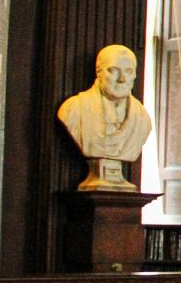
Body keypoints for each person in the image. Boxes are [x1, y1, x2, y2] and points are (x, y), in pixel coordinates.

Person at [57, 45, 153, 191]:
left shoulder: (142, 118)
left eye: (128, 71)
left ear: (134, 75)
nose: (122, 79)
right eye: (113, 70)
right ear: (99, 72)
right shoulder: (74, 109)